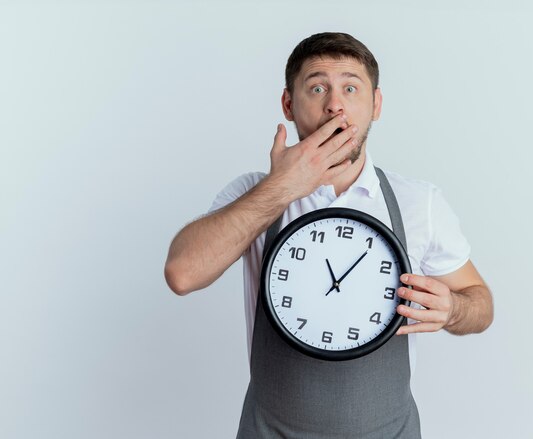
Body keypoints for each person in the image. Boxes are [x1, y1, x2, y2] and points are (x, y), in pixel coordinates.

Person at [164, 32, 494, 439]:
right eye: (317, 87)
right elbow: (182, 273)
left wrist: (454, 310)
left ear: (375, 105)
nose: (334, 104)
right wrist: (282, 187)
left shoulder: (417, 202)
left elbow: (480, 303)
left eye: (350, 88)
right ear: (288, 104)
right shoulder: (253, 194)